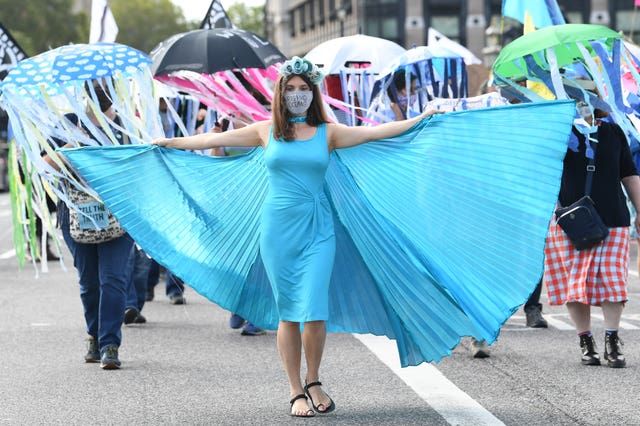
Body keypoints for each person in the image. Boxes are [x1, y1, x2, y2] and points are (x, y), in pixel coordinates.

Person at [152, 56, 443, 417]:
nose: (297, 94)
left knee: (315, 309)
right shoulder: (264, 130)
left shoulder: (330, 132)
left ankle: (314, 379)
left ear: (313, 92)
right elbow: (213, 139)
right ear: (279, 92)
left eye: (304, 88)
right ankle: (295, 391)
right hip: (277, 231)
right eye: (290, 88)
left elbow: (375, 133)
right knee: (288, 312)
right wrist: (171, 142)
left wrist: (420, 119)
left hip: (318, 230)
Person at [544, 90, 640, 368]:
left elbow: (629, 173)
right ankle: (585, 340)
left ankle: (612, 339)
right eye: (573, 98)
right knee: (575, 285)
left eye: (586, 96)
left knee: (614, 282)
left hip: (613, 218)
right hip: (569, 221)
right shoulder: (557, 133)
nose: (581, 103)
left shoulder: (613, 132)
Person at [44, 83, 134, 370]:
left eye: (105, 91)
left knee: (113, 279)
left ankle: (109, 344)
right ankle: (93, 335)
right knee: (89, 282)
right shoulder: (68, 123)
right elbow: (45, 165)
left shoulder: (125, 125)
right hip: (76, 215)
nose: (99, 96)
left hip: (118, 214)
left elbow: (138, 165)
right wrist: (74, 141)